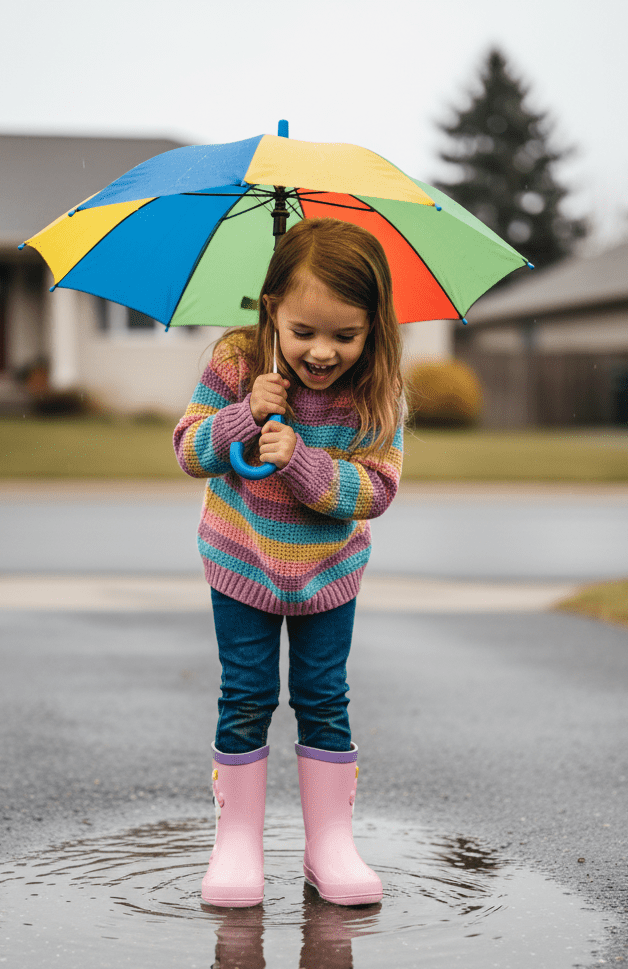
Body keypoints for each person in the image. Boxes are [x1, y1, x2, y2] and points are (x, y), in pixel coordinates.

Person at [173, 218, 404, 910]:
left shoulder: (377, 388)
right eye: (303, 331)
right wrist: (244, 415)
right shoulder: (238, 361)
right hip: (242, 561)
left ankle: (329, 844)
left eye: (346, 335)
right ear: (272, 308)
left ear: (373, 327)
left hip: (328, 575)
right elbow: (189, 450)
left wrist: (301, 460)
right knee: (245, 695)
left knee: (323, 698)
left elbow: (376, 490)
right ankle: (237, 845)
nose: (323, 352)